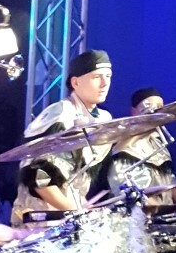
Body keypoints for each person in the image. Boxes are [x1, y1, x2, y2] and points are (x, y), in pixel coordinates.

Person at [11, 49, 114, 224]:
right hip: (41, 218)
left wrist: (81, 205)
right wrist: (76, 212)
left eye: (108, 76)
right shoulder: (60, 115)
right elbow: (40, 181)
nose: (105, 83)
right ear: (75, 82)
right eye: (97, 77)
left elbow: (75, 180)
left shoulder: (103, 118)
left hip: (70, 215)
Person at [104, 87, 176, 207]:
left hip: (165, 212)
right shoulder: (125, 150)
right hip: (137, 215)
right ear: (134, 112)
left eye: (160, 108)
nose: (156, 115)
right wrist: (167, 211)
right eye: (149, 110)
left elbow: (171, 191)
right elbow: (136, 198)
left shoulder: (159, 145)